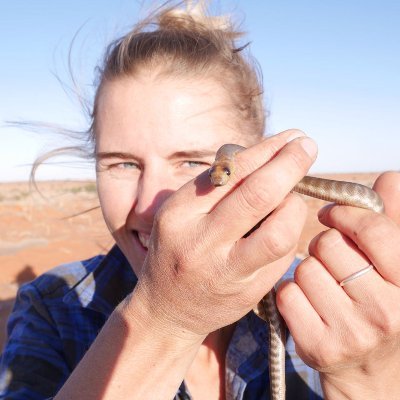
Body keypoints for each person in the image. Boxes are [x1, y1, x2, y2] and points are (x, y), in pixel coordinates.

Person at [1, 2, 400, 399]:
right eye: (122, 164)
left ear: (260, 164)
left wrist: (367, 378)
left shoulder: (323, 301)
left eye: (192, 162)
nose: (152, 208)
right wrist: (168, 318)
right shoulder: (54, 306)